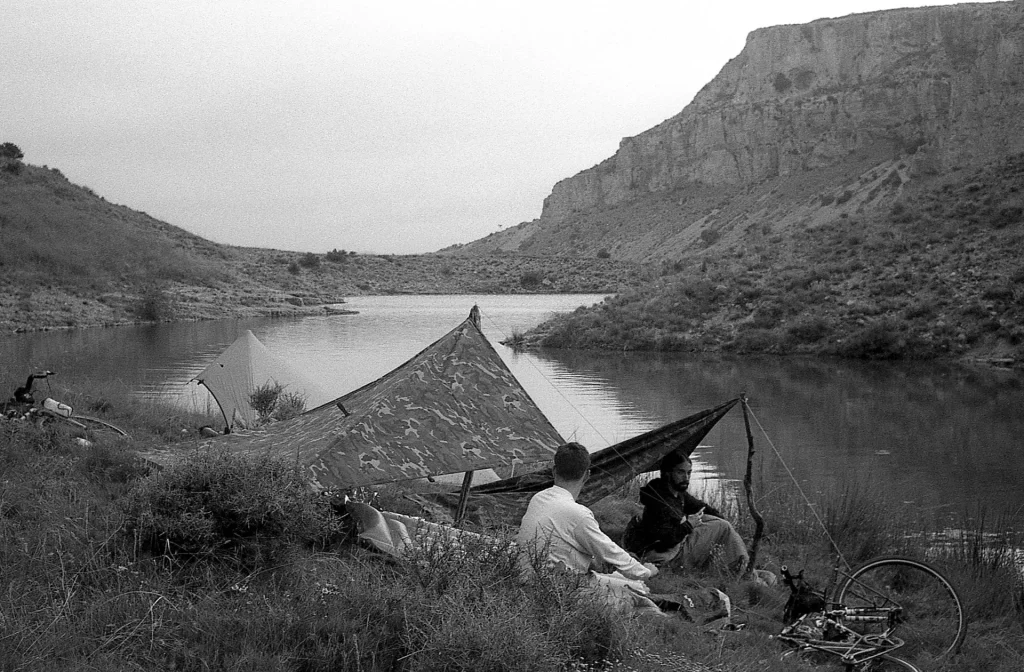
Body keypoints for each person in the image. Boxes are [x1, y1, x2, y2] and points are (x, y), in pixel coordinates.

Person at [517, 442, 663, 613]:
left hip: (527, 580)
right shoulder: (579, 514)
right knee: (639, 597)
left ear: (554, 471)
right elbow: (609, 552)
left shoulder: (538, 498)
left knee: (623, 582)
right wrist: (646, 572)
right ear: (587, 475)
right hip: (558, 590)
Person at [623, 451, 749, 575]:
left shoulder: (676, 493)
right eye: (680, 472)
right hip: (666, 557)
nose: (686, 478)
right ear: (668, 473)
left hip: (671, 547)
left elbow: (700, 507)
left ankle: (729, 564)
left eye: (689, 473)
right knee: (723, 527)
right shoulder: (660, 502)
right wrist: (689, 525)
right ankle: (743, 570)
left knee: (711, 519)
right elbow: (664, 542)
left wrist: (721, 517)